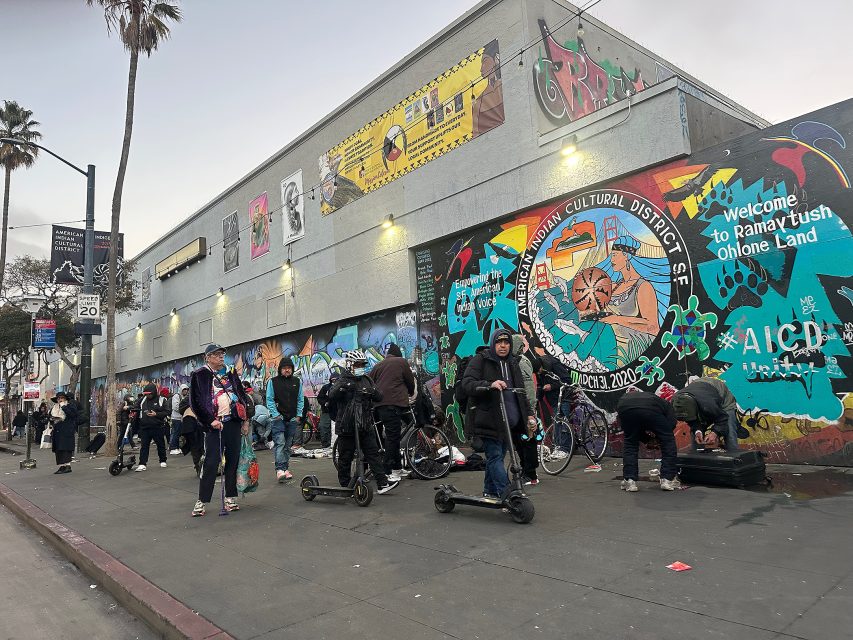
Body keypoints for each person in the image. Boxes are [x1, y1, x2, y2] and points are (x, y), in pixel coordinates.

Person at [461, 328, 536, 499]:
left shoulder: (513, 363)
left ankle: (490, 490)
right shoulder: (481, 360)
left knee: (498, 457)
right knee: (495, 456)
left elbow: (521, 392)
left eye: (506, 342)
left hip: (509, 423)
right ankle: (508, 493)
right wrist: (489, 385)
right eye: (499, 342)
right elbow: (467, 384)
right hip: (490, 420)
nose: (503, 346)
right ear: (493, 343)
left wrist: (529, 414)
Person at [189, 343, 251, 517]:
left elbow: (241, 395)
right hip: (214, 425)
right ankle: (202, 500)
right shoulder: (200, 374)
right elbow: (196, 402)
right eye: (216, 354)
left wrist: (245, 419)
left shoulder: (230, 371)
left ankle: (230, 497)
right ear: (207, 357)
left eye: (222, 354)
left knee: (233, 460)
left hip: (233, 422)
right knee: (211, 462)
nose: (221, 357)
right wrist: (210, 421)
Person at [328, 350, 398, 494]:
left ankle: (382, 483)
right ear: (350, 365)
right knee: (345, 457)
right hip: (347, 425)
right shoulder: (342, 379)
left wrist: (372, 392)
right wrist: (345, 387)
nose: (360, 367)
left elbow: (379, 396)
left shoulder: (367, 379)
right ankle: (346, 485)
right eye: (357, 365)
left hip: (365, 424)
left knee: (373, 454)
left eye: (362, 365)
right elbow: (332, 395)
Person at [616, 390, 680, 491]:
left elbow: (634, 431)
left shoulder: (633, 399)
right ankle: (668, 479)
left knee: (630, 443)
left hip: (625, 407)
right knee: (668, 442)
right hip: (650, 408)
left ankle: (629, 480)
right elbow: (669, 427)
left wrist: (648, 440)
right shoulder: (668, 407)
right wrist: (658, 439)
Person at [370, 343, 415, 482]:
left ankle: (397, 468)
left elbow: (370, 382)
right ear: (398, 354)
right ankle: (387, 471)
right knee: (393, 437)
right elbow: (410, 380)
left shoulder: (378, 365)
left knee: (393, 437)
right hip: (395, 403)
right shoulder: (401, 362)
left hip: (379, 405)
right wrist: (411, 392)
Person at [672, 376, 742, 451]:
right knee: (695, 434)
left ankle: (734, 455)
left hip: (721, 395)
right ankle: (697, 456)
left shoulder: (708, 404)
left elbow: (723, 418)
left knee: (729, 431)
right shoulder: (676, 402)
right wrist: (698, 431)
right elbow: (691, 420)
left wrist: (715, 433)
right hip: (701, 392)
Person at [266, 356, 303, 482]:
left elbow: (300, 399)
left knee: (288, 445)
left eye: (289, 368)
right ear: (280, 369)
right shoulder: (273, 382)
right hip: (278, 418)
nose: (287, 370)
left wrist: (298, 415)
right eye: (284, 368)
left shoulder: (297, 381)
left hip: (292, 418)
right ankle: (279, 469)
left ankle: (285, 468)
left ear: (292, 369)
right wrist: (275, 414)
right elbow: (269, 399)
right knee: (280, 443)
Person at [512, 334, 540, 486]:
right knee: (520, 442)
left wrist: (530, 412)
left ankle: (531, 474)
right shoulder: (513, 361)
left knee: (527, 441)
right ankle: (526, 471)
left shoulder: (521, 362)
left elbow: (528, 388)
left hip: (525, 410)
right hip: (518, 409)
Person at [135, 383, 169, 471]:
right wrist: (128, 408)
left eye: (149, 394)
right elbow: (135, 407)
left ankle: (163, 460)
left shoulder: (162, 399)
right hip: (145, 427)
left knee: (160, 444)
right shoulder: (142, 400)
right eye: (146, 394)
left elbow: (167, 412)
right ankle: (142, 463)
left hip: (158, 426)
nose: (148, 396)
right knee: (144, 446)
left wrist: (156, 414)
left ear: (153, 392)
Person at [49, 391, 78, 474]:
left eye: (62, 398)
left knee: (66, 448)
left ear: (65, 399)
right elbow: (50, 416)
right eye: (58, 398)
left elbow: (73, 415)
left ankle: (67, 466)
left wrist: (64, 407)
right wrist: (51, 419)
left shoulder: (69, 406)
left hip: (66, 431)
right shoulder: (55, 407)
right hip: (57, 431)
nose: (60, 400)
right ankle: (62, 466)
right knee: (59, 449)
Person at [314, 370, 340, 457]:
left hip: (337, 412)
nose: (334, 381)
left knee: (336, 430)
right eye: (333, 380)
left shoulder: (341, 387)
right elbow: (320, 397)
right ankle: (326, 445)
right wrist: (325, 403)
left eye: (336, 379)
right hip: (327, 411)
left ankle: (336, 446)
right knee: (324, 427)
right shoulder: (326, 387)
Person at [169, 384, 189, 454]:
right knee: (175, 433)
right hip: (176, 418)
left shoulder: (185, 397)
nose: (186, 391)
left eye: (187, 389)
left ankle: (177, 447)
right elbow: (175, 406)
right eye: (184, 389)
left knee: (179, 433)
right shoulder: (176, 396)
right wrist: (183, 410)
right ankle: (173, 447)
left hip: (182, 418)